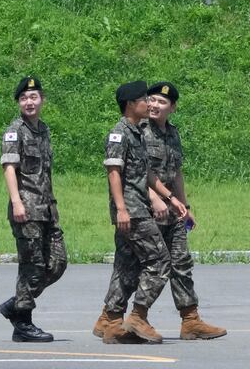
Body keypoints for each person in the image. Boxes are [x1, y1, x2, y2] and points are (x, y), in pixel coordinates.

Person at [93, 81, 184, 345]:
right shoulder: (119, 134)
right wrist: (121, 209)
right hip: (132, 211)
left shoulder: (137, 133)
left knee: (127, 265)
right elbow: (114, 173)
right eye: (144, 100)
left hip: (139, 207)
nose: (149, 103)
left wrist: (171, 198)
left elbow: (147, 174)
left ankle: (111, 322)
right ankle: (138, 315)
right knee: (159, 260)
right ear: (132, 105)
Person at [142, 81, 226, 340]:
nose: (155, 105)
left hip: (172, 208)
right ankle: (120, 317)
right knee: (144, 266)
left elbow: (176, 172)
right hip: (148, 208)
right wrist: (156, 199)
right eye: (152, 100)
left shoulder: (173, 133)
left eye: (162, 102)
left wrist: (184, 206)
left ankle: (190, 320)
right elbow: (138, 173)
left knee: (181, 263)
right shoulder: (140, 132)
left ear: (173, 108)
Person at [0, 76, 67, 343]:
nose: (29, 102)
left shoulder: (43, 130)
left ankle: (15, 304)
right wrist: (16, 201)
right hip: (26, 209)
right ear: (18, 102)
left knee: (58, 263)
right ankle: (22, 323)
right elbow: (9, 167)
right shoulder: (15, 130)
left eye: (34, 97)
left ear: (42, 100)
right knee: (32, 266)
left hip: (47, 209)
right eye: (24, 98)